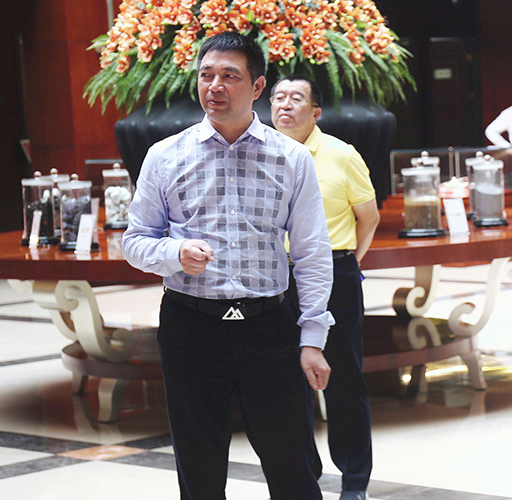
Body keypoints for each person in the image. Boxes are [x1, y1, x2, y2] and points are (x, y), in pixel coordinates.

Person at [122, 32, 334, 500]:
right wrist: (174, 254)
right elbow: (135, 242)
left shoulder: (291, 158)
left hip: (269, 328)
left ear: (257, 87)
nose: (214, 86)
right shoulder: (164, 155)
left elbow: (312, 252)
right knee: (199, 470)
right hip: (191, 327)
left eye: (229, 76)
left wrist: (313, 338)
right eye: (206, 75)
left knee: (292, 467)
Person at [270, 74, 380, 500]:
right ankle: (305, 473)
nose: (285, 105)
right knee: (284, 381)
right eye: (278, 97)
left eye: (296, 98)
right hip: (276, 280)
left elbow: (368, 217)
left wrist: (347, 264)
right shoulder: (261, 153)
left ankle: (354, 481)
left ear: (315, 112)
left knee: (344, 378)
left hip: (334, 274)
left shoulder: (341, 154)